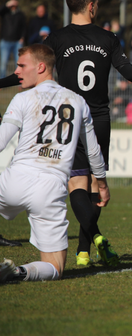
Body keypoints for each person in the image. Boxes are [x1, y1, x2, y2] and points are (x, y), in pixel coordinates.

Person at [0, 0, 132, 268]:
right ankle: (86, 247)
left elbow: (23, 73)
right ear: (91, 6)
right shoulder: (107, 38)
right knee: (95, 184)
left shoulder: (57, 38)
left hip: (67, 119)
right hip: (98, 118)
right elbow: (129, 72)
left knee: (76, 182)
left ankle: (91, 245)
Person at [0, 44, 108, 282]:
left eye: (21, 65)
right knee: (55, 267)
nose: (16, 71)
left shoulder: (22, 98)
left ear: (40, 67)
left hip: (14, 180)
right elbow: (93, 151)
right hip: (50, 188)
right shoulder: (78, 101)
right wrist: (101, 182)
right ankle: (20, 272)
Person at [0, 0, 26, 79]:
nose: (13, 7)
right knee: (3, 64)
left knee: (19, 63)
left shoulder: (20, 15)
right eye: (12, 5)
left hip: (17, 42)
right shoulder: (5, 13)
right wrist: (7, 4)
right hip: (5, 41)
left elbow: (24, 27)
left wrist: (22, 37)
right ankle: (2, 82)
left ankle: (20, 82)